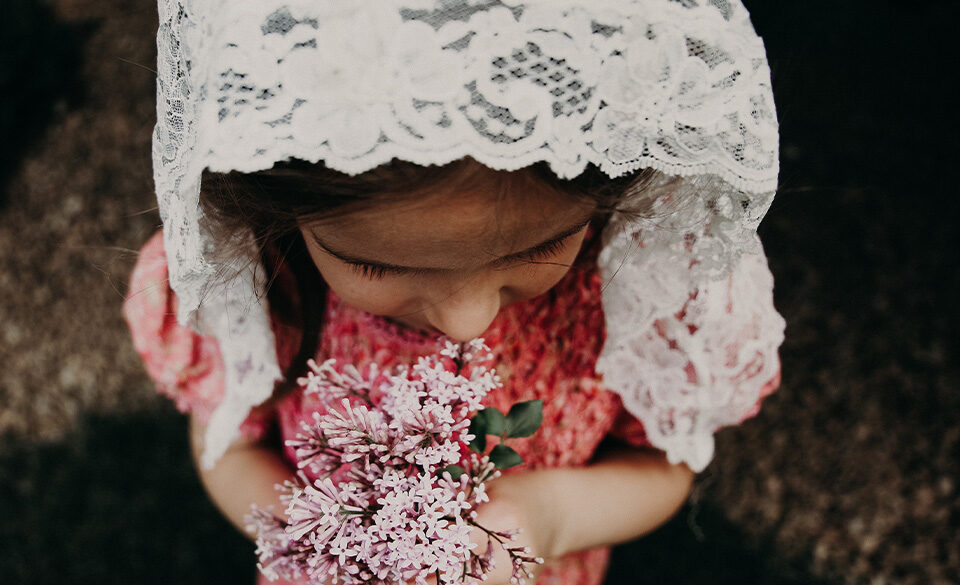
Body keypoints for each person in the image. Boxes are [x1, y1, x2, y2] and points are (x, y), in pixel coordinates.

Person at [123, 1, 786, 584]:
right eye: (376, 265)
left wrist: (546, 521)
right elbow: (229, 448)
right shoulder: (261, 284)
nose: (469, 320)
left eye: (536, 247)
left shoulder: (643, 289)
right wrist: (330, 541)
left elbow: (661, 467)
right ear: (282, 210)